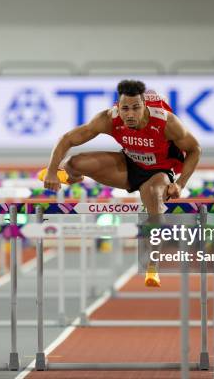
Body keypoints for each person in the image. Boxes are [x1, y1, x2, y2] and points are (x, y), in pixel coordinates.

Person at [40, 79, 201, 287]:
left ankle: (152, 267)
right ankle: (71, 177)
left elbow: (195, 149)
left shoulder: (166, 122)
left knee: (153, 198)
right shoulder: (109, 119)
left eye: (136, 108)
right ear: (118, 107)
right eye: (125, 108)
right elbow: (67, 139)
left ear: (145, 106)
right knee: (74, 163)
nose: (130, 114)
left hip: (159, 172)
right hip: (129, 165)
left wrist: (180, 183)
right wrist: (52, 171)